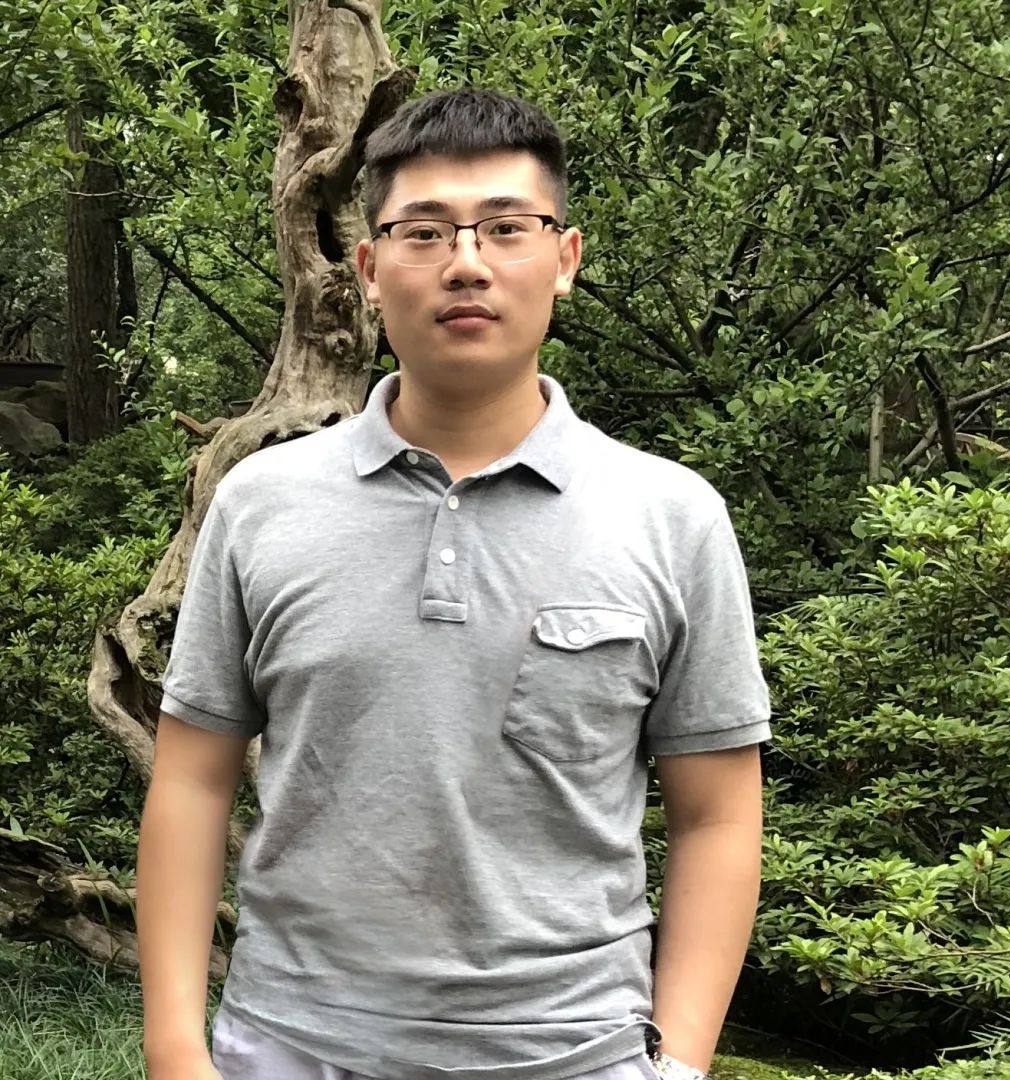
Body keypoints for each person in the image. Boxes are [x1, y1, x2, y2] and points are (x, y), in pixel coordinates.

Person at [136, 87, 772, 1080]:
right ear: (368, 270)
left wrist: (680, 1063)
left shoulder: (670, 516)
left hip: (577, 1052)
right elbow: (191, 777)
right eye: (425, 231)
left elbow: (718, 815)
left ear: (565, 259)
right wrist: (176, 1050)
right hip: (293, 1043)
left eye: (506, 228)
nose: (466, 263)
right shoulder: (263, 504)